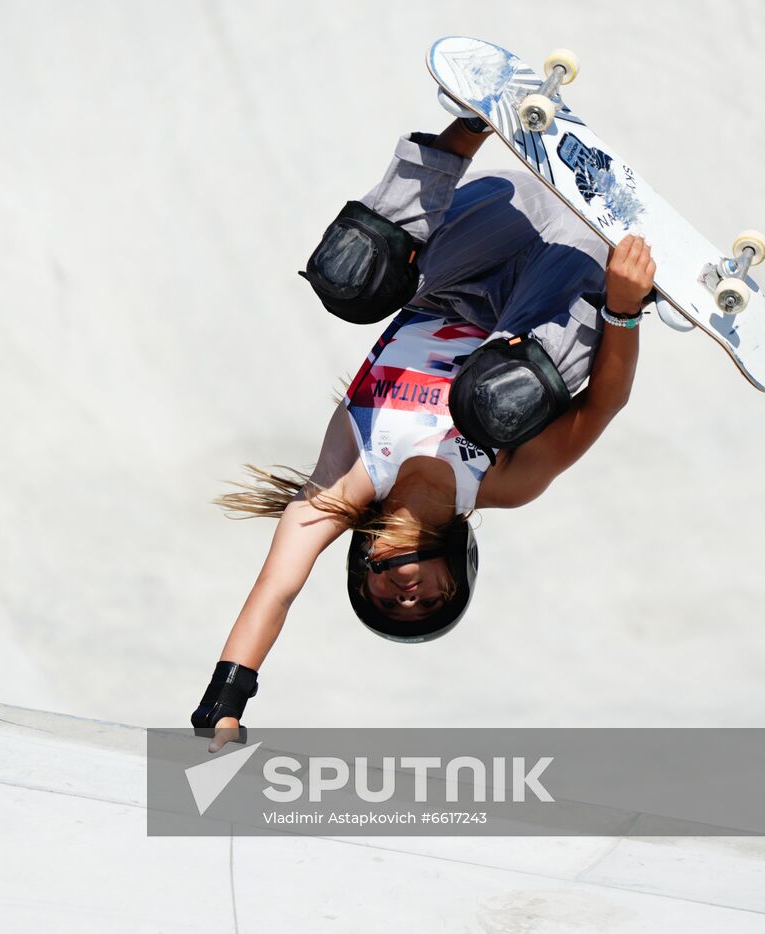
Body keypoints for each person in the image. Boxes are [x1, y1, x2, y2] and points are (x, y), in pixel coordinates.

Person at [190, 121, 655, 741]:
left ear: (364, 565)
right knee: (496, 402)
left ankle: (466, 128)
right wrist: (624, 310)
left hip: (488, 235)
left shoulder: (342, 479)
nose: (407, 596)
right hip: (564, 275)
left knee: (350, 280)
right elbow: (600, 407)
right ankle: (612, 276)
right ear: (456, 572)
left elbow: (275, 590)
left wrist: (223, 705)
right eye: (430, 601)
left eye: (386, 599)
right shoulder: (504, 483)